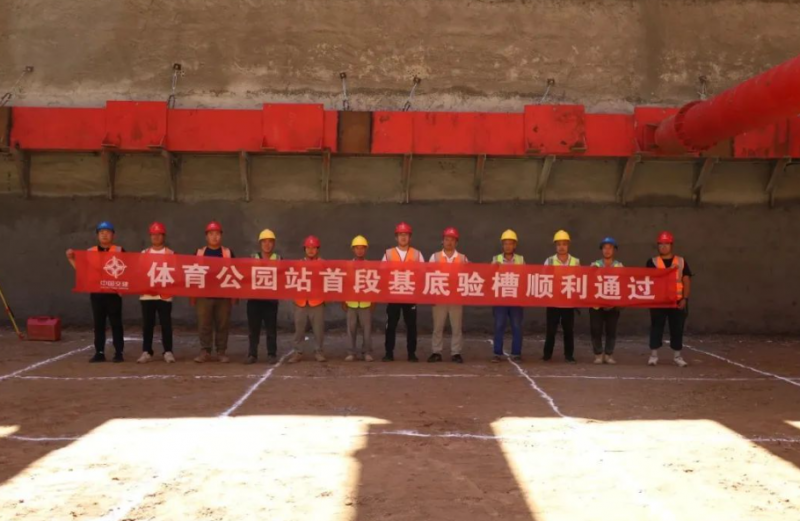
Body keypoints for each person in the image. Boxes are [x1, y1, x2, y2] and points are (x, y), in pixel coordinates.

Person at [66, 221, 125, 363]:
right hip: (97, 293)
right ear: (97, 235)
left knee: (116, 323)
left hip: (114, 293)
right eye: (101, 232)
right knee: (99, 324)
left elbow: (127, 270)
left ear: (113, 235)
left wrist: (123, 288)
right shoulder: (90, 252)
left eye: (107, 232)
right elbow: (83, 270)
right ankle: (99, 352)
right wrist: (71, 259)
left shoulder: (120, 250)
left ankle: (119, 352)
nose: (104, 235)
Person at [647, 231, 692, 368]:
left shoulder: (681, 261)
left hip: (677, 301)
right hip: (658, 302)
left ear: (671, 245)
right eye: (661, 244)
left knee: (677, 328)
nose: (663, 246)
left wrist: (685, 298)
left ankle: (677, 356)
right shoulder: (652, 262)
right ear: (657, 245)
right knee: (656, 327)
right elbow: (649, 279)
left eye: (666, 244)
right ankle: (653, 356)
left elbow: (686, 280)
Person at [193, 221, 235, 363]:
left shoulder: (228, 253)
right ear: (206, 236)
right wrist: (193, 295)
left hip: (223, 295)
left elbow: (235, 273)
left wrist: (234, 295)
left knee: (222, 324)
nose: (214, 237)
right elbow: (192, 273)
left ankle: (221, 351)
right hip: (204, 295)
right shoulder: (199, 253)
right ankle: (205, 351)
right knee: (204, 323)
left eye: (217, 234)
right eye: (211, 234)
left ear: (221, 236)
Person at [382, 222, 424, 362]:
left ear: (410, 237)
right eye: (401, 234)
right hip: (393, 294)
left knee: (411, 325)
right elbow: (382, 272)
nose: (403, 237)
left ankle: (411, 353)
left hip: (410, 294)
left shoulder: (417, 254)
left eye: (406, 234)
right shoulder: (388, 253)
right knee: (391, 325)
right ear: (396, 237)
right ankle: (389, 352)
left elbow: (423, 273)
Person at [428, 227, 468, 363]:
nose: (449, 242)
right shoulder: (435, 257)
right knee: (438, 327)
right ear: (442, 241)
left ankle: (456, 352)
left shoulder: (462, 258)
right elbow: (428, 275)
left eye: (452, 240)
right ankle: (436, 352)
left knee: (456, 327)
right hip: (439, 296)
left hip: (456, 297)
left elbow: (469, 275)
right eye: (447, 239)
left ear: (456, 242)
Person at [137, 222, 175, 364]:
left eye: (159, 234)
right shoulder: (144, 254)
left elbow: (175, 273)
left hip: (164, 295)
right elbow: (140, 273)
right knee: (147, 324)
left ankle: (168, 351)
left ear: (163, 236)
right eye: (153, 234)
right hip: (147, 295)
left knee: (166, 324)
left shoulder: (170, 254)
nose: (156, 237)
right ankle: (146, 351)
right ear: (150, 236)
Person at [543, 230, 580, 363]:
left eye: (564, 244)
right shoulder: (549, 261)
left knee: (568, 330)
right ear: (555, 246)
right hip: (553, 301)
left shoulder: (575, 261)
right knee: (551, 330)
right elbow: (543, 278)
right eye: (559, 244)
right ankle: (547, 355)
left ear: (568, 245)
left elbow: (580, 280)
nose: (561, 247)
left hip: (568, 301)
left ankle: (569, 355)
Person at [246, 229, 281, 365]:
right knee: (253, 329)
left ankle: (271, 354)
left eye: (270, 242)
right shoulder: (252, 258)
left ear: (274, 244)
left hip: (270, 301)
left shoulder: (279, 259)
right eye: (264, 242)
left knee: (271, 329)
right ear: (260, 244)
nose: (267, 244)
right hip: (254, 300)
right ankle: (252, 354)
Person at [288, 236, 326, 363]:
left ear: (318, 249)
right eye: (308, 248)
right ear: (304, 249)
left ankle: (319, 352)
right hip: (300, 302)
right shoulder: (298, 264)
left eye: (313, 248)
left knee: (318, 330)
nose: (311, 250)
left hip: (317, 301)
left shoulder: (323, 264)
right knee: (299, 329)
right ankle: (297, 352)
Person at [491, 229, 524, 362]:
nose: (508, 246)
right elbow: (489, 276)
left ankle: (516, 353)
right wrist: (493, 268)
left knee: (517, 326)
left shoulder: (521, 259)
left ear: (515, 245)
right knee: (499, 325)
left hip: (516, 299)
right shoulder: (496, 259)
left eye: (510, 243)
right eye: (505, 243)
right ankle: (497, 353)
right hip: (500, 299)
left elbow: (525, 277)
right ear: (502, 245)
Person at [589, 237, 623, 365]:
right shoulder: (594, 265)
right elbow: (588, 282)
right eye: (604, 248)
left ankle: (609, 355)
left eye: (610, 248)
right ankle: (598, 354)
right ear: (601, 250)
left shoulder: (619, 266)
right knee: (596, 329)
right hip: (596, 305)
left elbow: (624, 285)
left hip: (613, 305)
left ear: (614, 250)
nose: (607, 250)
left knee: (611, 330)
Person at [344, 235, 374, 362]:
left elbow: (374, 284)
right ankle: (351, 352)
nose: (360, 250)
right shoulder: (347, 265)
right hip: (351, 303)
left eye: (362, 248)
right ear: (353, 249)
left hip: (366, 303)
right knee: (351, 330)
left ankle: (367, 352)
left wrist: (373, 301)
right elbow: (344, 284)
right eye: (357, 248)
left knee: (367, 331)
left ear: (366, 249)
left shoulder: (371, 265)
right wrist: (343, 300)